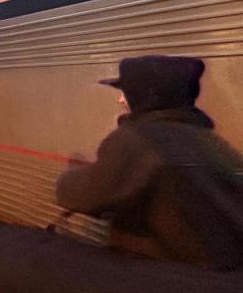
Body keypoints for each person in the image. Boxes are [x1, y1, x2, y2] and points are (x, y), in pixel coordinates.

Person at [57, 55, 243, 268]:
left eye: (125, 94)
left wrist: (71, 174)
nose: (120, 100)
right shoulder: (211, 141)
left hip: (164, 275)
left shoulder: (136, 139)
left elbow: (83, 195)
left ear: (142, 96)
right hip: (218, 277)